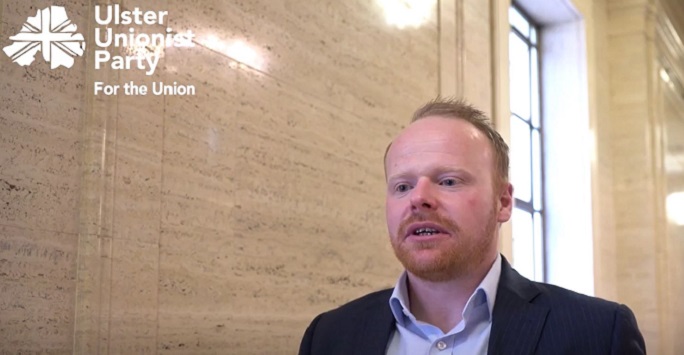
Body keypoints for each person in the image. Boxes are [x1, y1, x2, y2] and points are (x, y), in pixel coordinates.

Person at [298, 98, 646, 355]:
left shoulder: (599, 334)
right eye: (402, 186)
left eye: (448, 181)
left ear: (503, 202)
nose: (418, 199)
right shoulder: (329, 337)